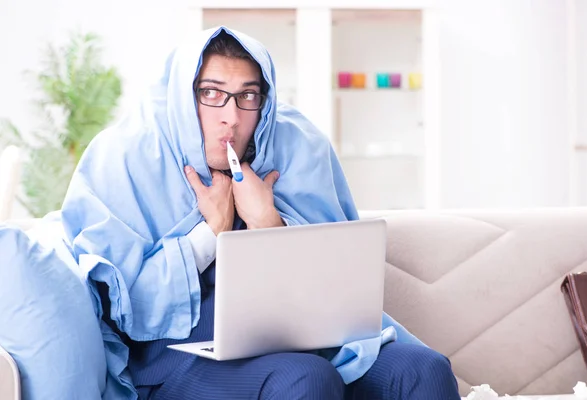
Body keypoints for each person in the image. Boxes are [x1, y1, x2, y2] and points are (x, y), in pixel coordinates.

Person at [58, 26, 462, 399]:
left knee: (424, 370)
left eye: (248, 96)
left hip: (305, 343)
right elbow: (121, 309)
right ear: (184, 95)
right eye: (211, 93)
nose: (230, 117)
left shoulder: (296, 144)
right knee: (303, 378)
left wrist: (267, 223)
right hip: (172, 358)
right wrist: (210, 233)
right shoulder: (125, 156)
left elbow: (343, 285)